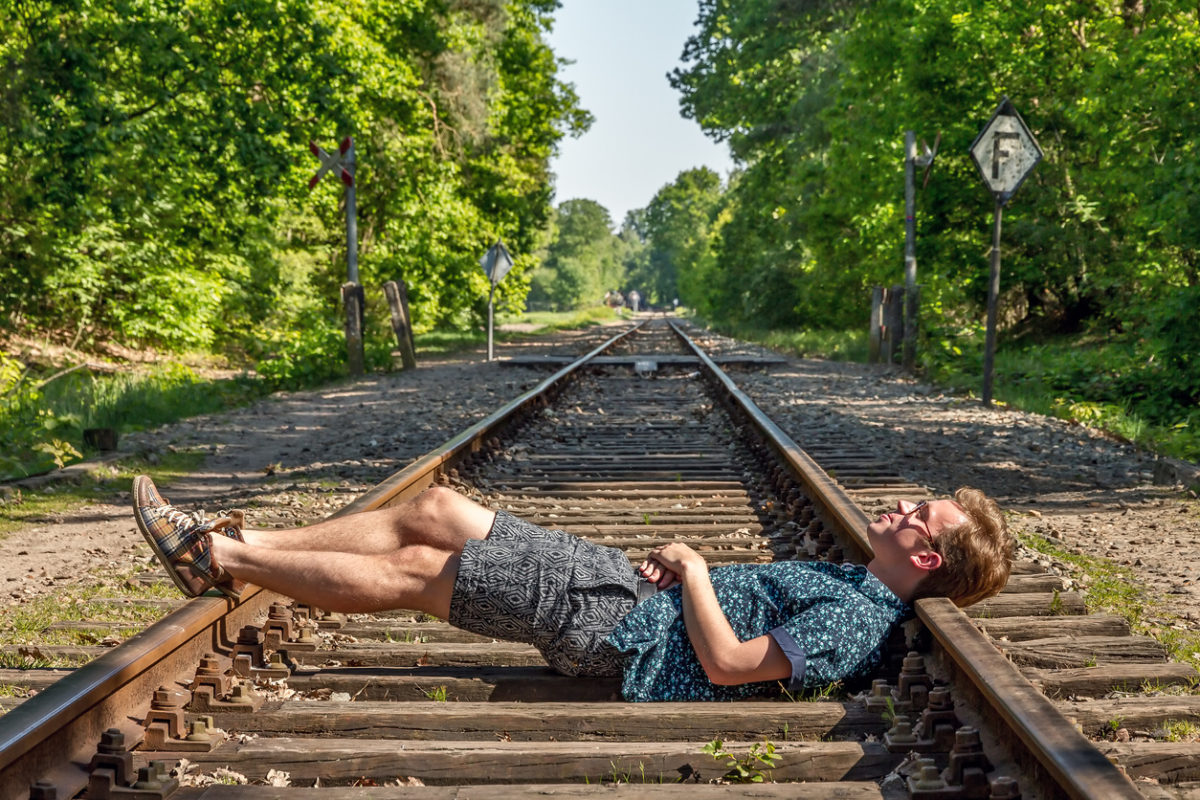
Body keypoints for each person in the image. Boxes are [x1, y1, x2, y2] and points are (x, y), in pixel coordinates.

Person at [133, 476, 1012, 702]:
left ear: (927, 558)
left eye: (917, 513)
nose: (900, 505)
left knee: (419, 575)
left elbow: (737, 663)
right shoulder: (852, 583)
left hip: (619, 628)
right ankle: (241, 542)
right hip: (624, 595)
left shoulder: (862, 619)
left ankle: (224, 558)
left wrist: (699, 570)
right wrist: (690, 573)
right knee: (437, 509)